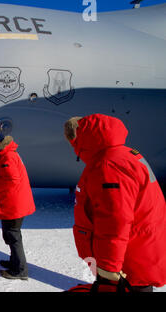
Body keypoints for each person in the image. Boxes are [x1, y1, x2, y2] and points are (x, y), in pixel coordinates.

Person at [65, 113, 166, 292]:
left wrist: (108, 269)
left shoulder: (108, 165)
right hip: (140, 250)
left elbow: (114, 220)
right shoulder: (125, 154)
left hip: (130, 260)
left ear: (82, 138)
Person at [0, 134, 36, 280]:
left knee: (13, 236)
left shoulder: (8, 157)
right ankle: (15, 262)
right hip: (11, 203)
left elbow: (12, 180)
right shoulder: (3, 155)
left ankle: (20, 270)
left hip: (14, 204)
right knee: (10, 234)